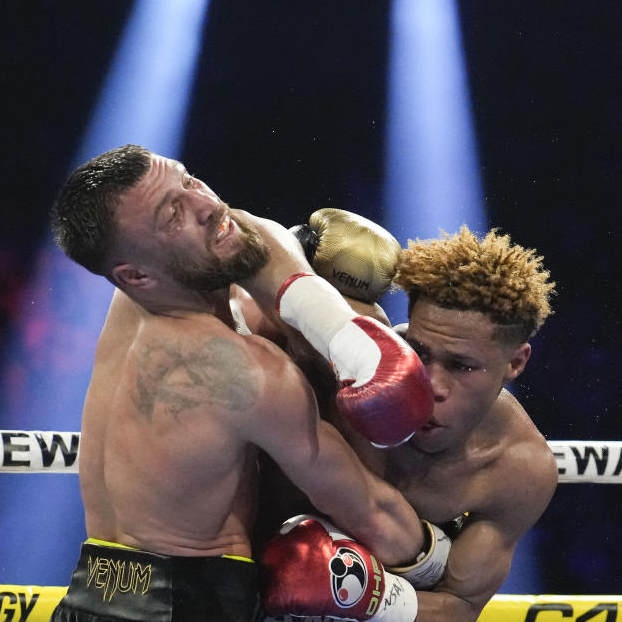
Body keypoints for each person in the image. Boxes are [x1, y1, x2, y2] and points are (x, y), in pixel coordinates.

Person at [48, 145, 437, 622]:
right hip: (192, 606)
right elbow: (369, 509)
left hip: (90, 595)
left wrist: (339, 331)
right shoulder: (243, 374)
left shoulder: (131, 299)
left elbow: (250, 234)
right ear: (137, 275)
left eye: (189, 180)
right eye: (173, 214)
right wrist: (436, 566)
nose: (208, 204)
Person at [260, 218, 558, 622]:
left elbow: (461, 605)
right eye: (419, 351)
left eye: (462, 366)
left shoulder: (515, 468)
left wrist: (373, 597)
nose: (431, 383)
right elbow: (253, 252)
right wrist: (299, 243)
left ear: (515, 362)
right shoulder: (342, 352)